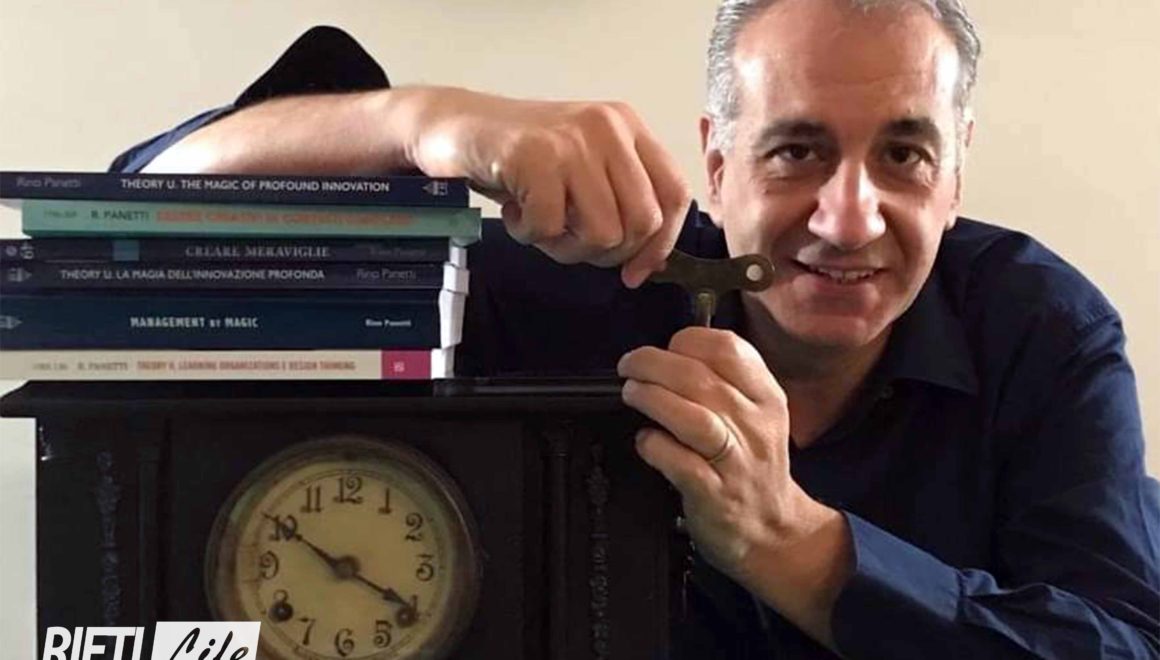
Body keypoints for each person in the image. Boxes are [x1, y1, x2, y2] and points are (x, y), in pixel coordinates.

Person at [113, 0, 1160, 657]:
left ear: (955, 173)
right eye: (795, 151)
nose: (849, 219)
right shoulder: (577, 279)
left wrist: (791, 545)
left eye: (903, 155)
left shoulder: (1039, 331)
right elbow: (138, 224)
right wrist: (425, 126)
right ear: (718, 162)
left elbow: (1118, 640)